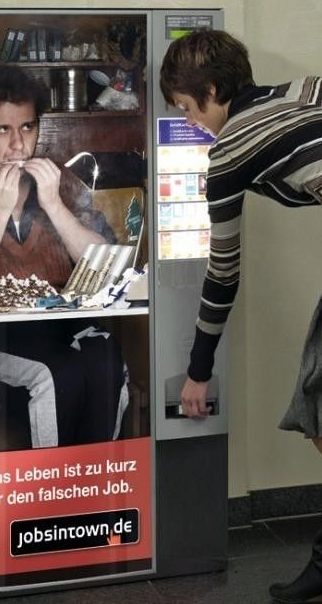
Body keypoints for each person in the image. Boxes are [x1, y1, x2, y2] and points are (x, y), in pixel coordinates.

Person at [160, 29, 322, 603]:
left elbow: (222, 273)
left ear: (211, 90)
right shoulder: (306, 89)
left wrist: (197, 371)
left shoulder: (228, 152)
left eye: (186, 108)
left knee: (316, 396)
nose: (191, 122)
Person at [0, 66, 129, 449]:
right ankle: (54, 482)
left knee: (107, 360)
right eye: (2, 130)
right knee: (57, 373)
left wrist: (54, 205)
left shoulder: (57, 181)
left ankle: (96, 477)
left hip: (62, 325)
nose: (18, 145)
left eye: (27, 128)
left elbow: (107, 268)